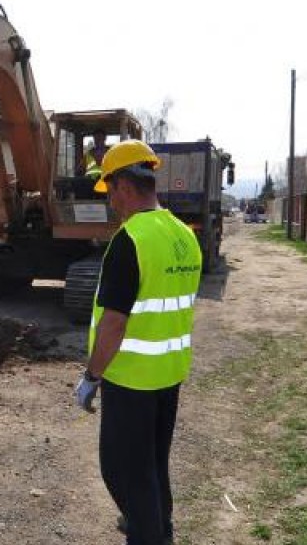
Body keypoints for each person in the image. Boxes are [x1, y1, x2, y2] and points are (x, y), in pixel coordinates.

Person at [73, 140, 202, 545]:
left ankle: (148, 534)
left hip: (131, 380)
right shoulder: (184, 234)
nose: (110, 200)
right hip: (169, 374)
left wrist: (92, 375)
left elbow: (114, 323)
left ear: (124, 186)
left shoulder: (130, 240)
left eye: (109, 190)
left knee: (124, 471)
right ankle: (159, 527)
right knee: (153, 464)